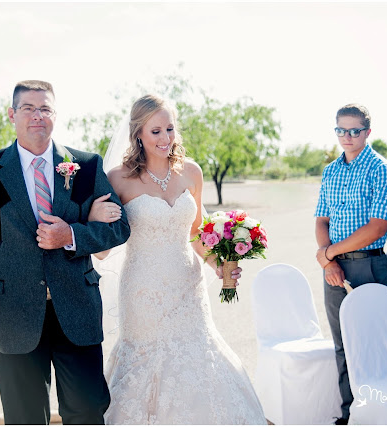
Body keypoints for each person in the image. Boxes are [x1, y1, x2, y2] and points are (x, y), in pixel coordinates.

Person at [0, 80, 130, 425]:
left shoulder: (86, 166)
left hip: (76, 310)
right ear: (12, 115)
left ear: (55, 115)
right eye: (28, 108)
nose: (37, 116)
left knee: (90, 409)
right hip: (12, 316)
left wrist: (71, 235)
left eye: (45, 108)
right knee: (25, 418)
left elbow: (119, 227)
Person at [90, 94, 266, 424]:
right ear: (138, 133)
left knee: (198, 359)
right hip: (143, 292)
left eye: (169, 128)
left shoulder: (192, 173)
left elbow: (197, 235)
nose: (165, 138)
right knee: (147, 367)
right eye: (155, 131)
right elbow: (101, 249)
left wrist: (221, 264)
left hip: (189, 288)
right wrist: (97, 217)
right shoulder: (118, 178)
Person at [315, 103, 387, 424]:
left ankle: (377, 415)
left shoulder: (381, 169)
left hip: (370, 266)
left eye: (354, 130)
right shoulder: (331, 170)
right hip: (334, 268)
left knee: (372, 344)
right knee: (343, 346)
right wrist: (328, 261)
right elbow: (322, 219)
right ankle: (350, 415)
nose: (347, 136)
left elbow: (378, 227)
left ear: (367, 132)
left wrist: (328, 253)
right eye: (341, 130)